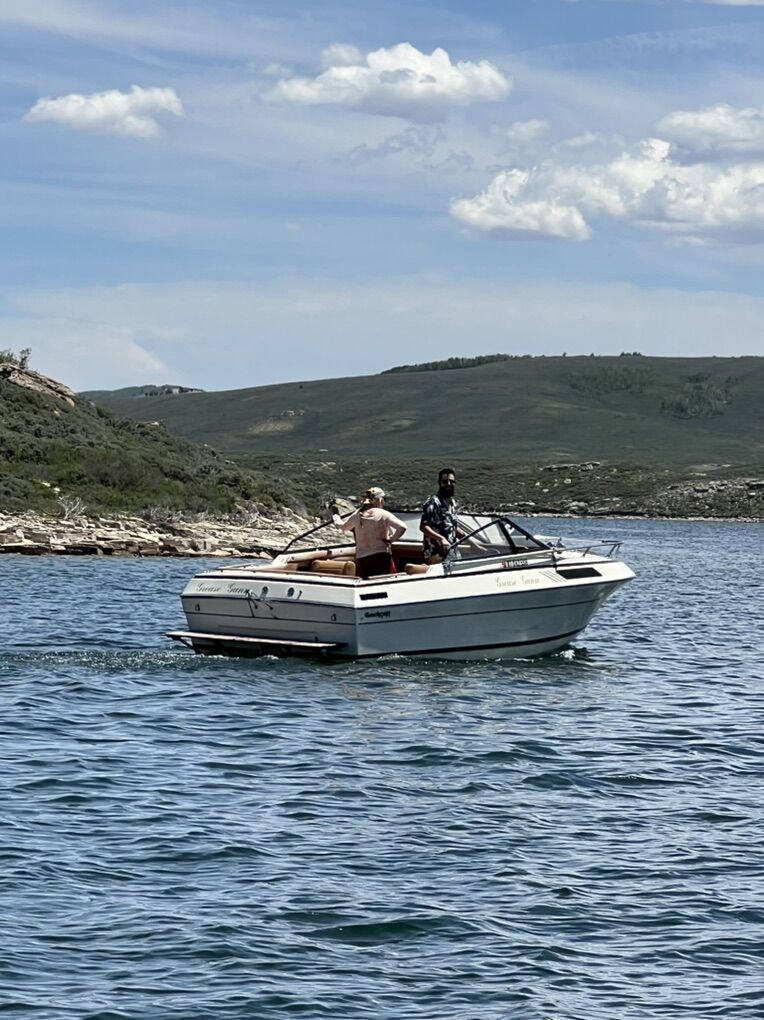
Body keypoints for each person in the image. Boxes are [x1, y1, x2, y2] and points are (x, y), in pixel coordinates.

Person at [333, 487, 406, 579]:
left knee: (366, 582)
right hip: (381, 556)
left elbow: (343, 527)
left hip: (363, 558)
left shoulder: (357, 514)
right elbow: (402, 527)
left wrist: (336, 517)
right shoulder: (383, 514)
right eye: (383, 499)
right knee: (386, 581)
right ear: (380, 500)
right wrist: (390, 540)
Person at [420, 467, 465, 563]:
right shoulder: (433, 502)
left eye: (452, 481)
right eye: (445, 481)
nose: (448, 484)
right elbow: (424, 527)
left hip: (452, 554)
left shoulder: (452, 503)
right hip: (436, 555)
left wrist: (475, 545)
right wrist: (441, 538)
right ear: (439, 483)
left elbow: (453, 528)